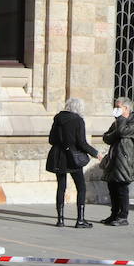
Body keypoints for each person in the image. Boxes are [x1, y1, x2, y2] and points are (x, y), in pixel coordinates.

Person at [44, 98, 98, 229]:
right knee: (81, 187)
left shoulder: (58, 118)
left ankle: (60, 220)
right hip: (73, 158)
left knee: (61, 187)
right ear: (79, 108)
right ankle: (80, 220)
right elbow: (82, 143)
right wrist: (96, 153)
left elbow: (51, 139)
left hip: (58, 157)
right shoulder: (78, 121)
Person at [101, 97, 134, 227]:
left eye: (118, 107)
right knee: (112, 187)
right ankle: (114, 214)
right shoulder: (117, 122)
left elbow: (123, 132)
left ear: (126, 108)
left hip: (125, 160)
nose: (116, 109)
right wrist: (115, 132)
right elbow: (107, 137)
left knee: (122, 189)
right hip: (114, 159)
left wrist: (120, 121)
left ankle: (123, 216)